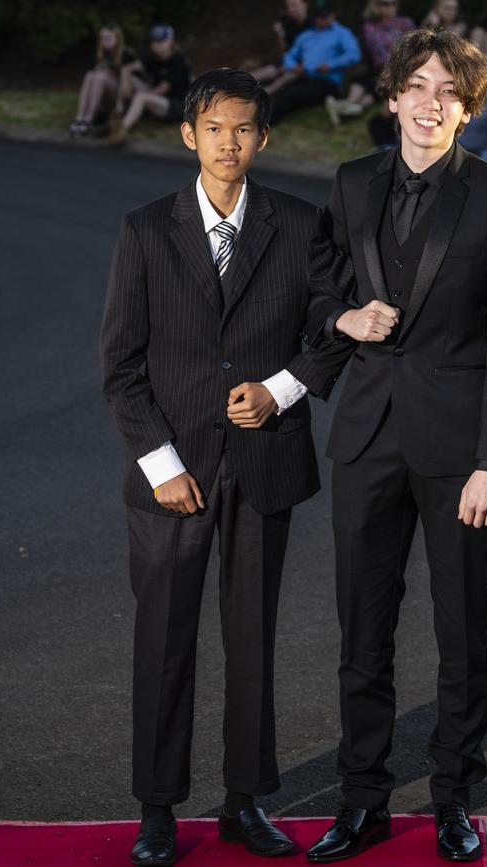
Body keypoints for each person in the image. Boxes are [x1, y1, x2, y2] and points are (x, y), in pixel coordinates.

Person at [291, 26, 487, 862]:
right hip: (364, 439)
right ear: (392, 96)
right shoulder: (353, 182)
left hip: (461, 452)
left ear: (467, 112)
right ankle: (362, 797)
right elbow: (320, 280)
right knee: (363, 632)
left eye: (451, 94)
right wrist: (342, 317)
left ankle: (453, 797)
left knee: (463, 631)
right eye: (419, 86)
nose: (433, 104)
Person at [100, 68, 343, 867]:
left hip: (264, 462)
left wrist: (278, 391)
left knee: (252, 640)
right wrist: (163, 465)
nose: (228, 143)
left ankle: (246, 802)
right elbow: (122, 368)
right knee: (163, 640)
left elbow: (331, 335)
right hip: (174, 476)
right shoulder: (145, 229)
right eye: (214, 129)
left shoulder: (301, 226)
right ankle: (158, 809)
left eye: (243, 129)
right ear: (188, 136)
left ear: (263, 138)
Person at [325, 0, 415, 126]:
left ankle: (353, 107)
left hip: (402, 67)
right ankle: (349, 104)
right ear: (376, 5)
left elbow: (412, 47)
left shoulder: (406, 23)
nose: (389, 7)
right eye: (385, 4)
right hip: (379, 67)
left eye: (393, 3)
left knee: (380, 84)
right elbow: (375, 50)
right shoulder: (370, 26)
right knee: (365, 80)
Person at [269, 1, 361, 124]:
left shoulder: (342, 33)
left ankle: (266, 123)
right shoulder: (306, 35)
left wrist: (331, 65)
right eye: (318, 16)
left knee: (290, 96)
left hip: (327, 82)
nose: (321, 19)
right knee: (283, 92)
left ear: (333, 16)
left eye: (325, 16)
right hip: (303, 76)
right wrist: (293, 66)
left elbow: (354, 55)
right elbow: (290, 55)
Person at [109, 24, 191, 146]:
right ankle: (119, 111)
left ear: (170, 41)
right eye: (154, 42)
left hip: (176, 106)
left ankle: (122, 130)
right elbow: (129, 67)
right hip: (158, 98)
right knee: (131, 79)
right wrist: (125, 81)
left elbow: (163, 89)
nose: (156, 45)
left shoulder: (178, 60)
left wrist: (141, 97)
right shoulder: (154, 58)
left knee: (141, 97)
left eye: (161, 41)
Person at [69, 24, 137, 137]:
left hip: (122, 96)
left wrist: (119, 105)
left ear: (117, 39)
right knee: (90, 75)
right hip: (105, 95)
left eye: (109, 38)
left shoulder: (126, 54)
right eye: (103, 38)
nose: (105, 41)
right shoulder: (102, 54)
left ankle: (89, 118)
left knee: (101, 76)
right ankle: (80, 116)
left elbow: (126, 84)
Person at [251, 0, 314, 94]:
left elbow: (313, 53)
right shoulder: (287, 22)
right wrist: (280, 33)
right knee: (269, 70)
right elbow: (284, 49)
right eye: (288, 6)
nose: (291, 9)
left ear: (305, 5)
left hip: (304, 65)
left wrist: (292, 65)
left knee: (287, 76)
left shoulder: (314, 25)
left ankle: (262, 94)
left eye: (294, 5)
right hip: (288, 61)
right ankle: (236, 80)